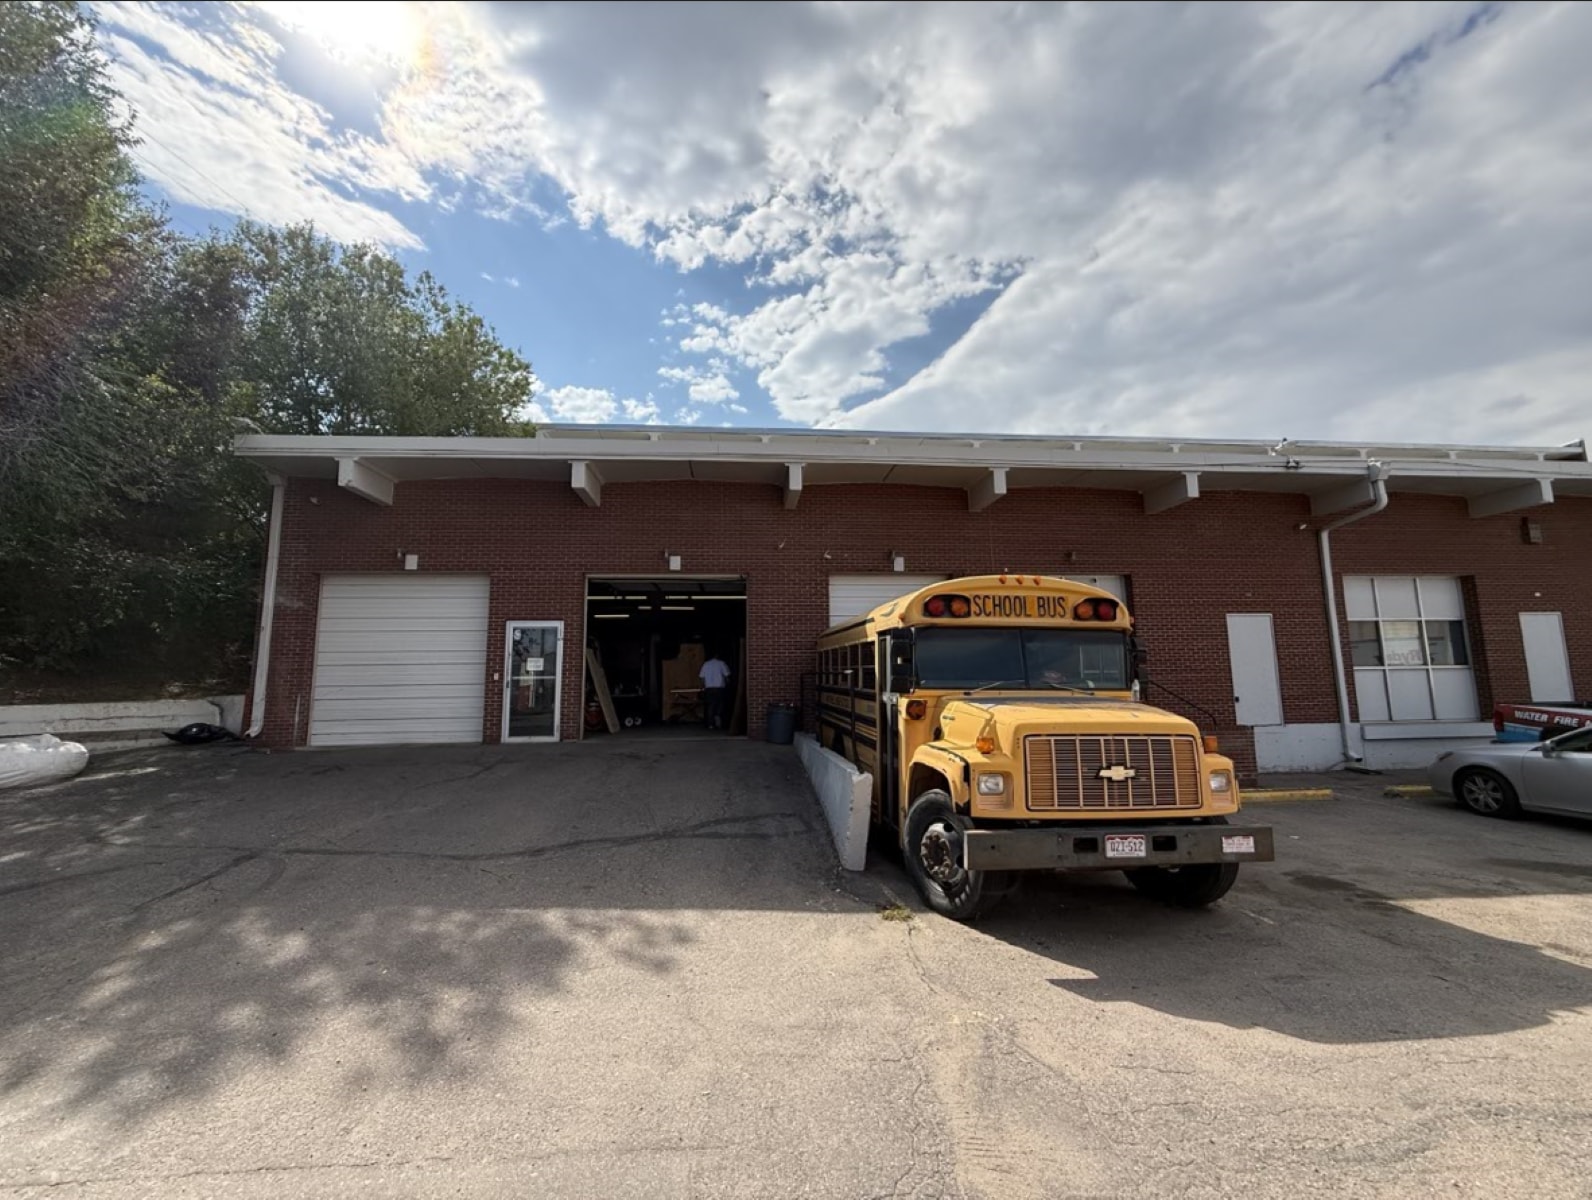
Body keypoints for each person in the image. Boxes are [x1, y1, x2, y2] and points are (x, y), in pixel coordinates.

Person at [699, 651, 732, 730]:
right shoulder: (721, 663)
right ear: (717, 655)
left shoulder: (706, 664)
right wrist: (729, 684)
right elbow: (727, 676)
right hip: (720, 687)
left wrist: (703, 686)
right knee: (720, 705)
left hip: (709, 688)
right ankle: (718, 720)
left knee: (710, 706)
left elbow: (702, 677)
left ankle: (710, 724)